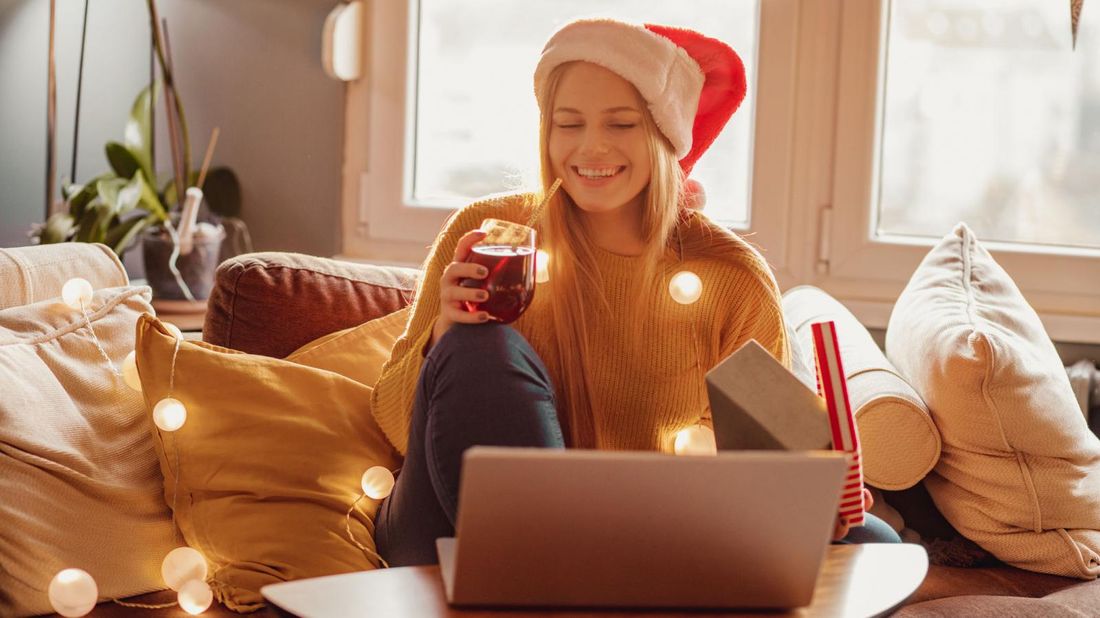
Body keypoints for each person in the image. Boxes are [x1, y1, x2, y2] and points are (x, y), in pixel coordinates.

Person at [371, 18, 900, 566]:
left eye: (621, 124)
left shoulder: (730, 278)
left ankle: (581, 575)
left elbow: (766, 468)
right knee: (482, 349)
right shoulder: (487, 234)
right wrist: (445, 333)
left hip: (638, 538)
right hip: (452, 533)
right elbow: (391, 423)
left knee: (872, 547)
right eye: (567, 123)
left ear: (664, 135)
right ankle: (565, 571)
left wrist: (812, 498)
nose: (590, 147)